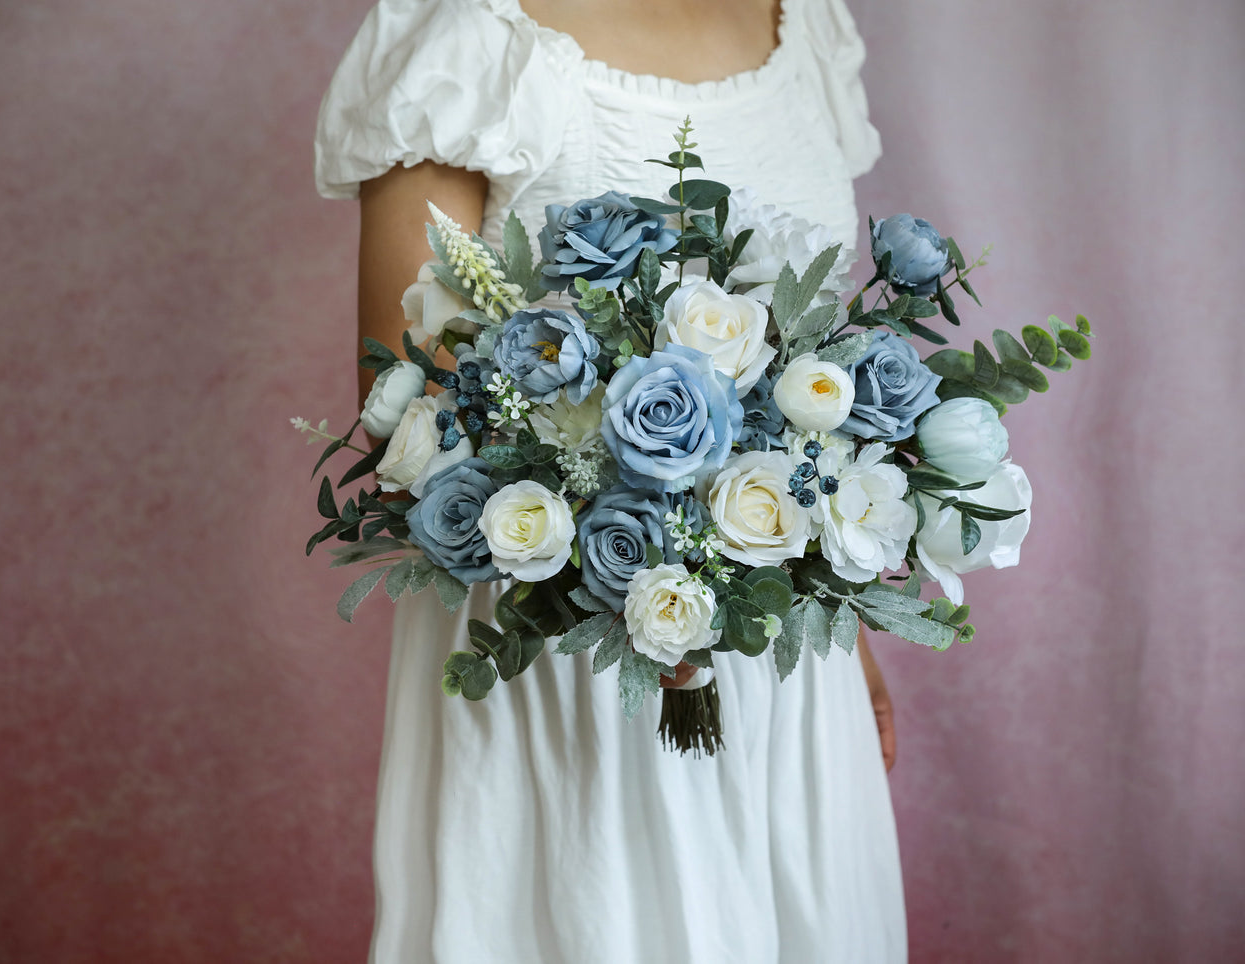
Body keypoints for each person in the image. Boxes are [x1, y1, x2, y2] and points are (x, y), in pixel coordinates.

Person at [314, 0, 905, 960]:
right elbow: (407, 404)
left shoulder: (808, 25)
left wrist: (836, 615)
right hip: (561, 649)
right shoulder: (472, 38)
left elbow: (823, 361)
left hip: (780, 644)